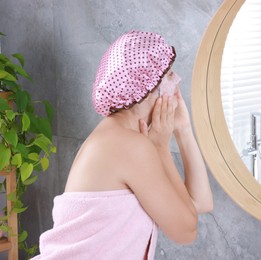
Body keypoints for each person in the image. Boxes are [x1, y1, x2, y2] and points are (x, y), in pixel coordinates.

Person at [32, 30, 213, 259]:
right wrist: (160, 148)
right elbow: (187, 231)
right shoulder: (129, 145)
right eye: (169, 74)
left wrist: (183, 130)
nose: (177, 80)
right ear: (146, 87)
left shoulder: (121, 135)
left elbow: (200, 202)